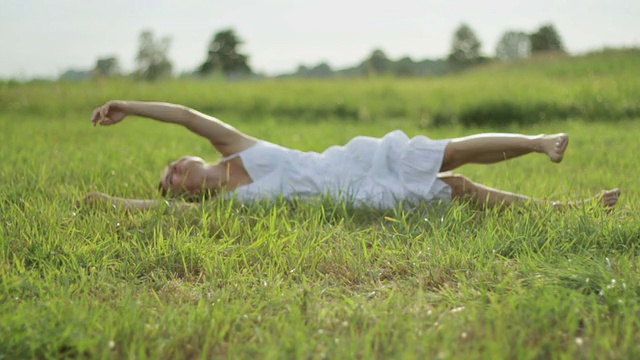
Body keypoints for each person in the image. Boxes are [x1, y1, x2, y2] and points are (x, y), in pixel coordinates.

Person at [80, 100, 621, 211]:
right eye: (169, 179)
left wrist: (127, 104)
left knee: (444, 153)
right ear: (185, 193)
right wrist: (107, 200)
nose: (174, 169)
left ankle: (539, 141)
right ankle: (563, 211)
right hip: (356, 196)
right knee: (455, 188)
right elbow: (152, 210)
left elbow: (188, 116)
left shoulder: (235, 147)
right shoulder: (223, 208)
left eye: (175, 163)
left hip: (349, 160)